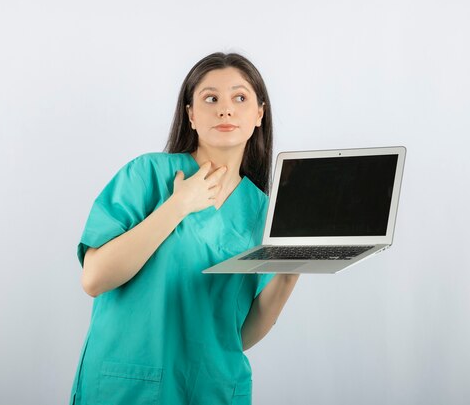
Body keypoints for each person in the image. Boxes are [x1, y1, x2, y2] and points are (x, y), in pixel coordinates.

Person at [69, 52, 299, 405]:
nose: (226, 109)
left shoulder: (265, 213)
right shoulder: (146, 176)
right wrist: (178, 206)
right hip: (129, 386)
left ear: (259, 114)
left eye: (240, 97)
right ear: (190, 114)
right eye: (211, 98)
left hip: (214, 387)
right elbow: (94, 278)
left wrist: (288, 276)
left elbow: (238, 336)